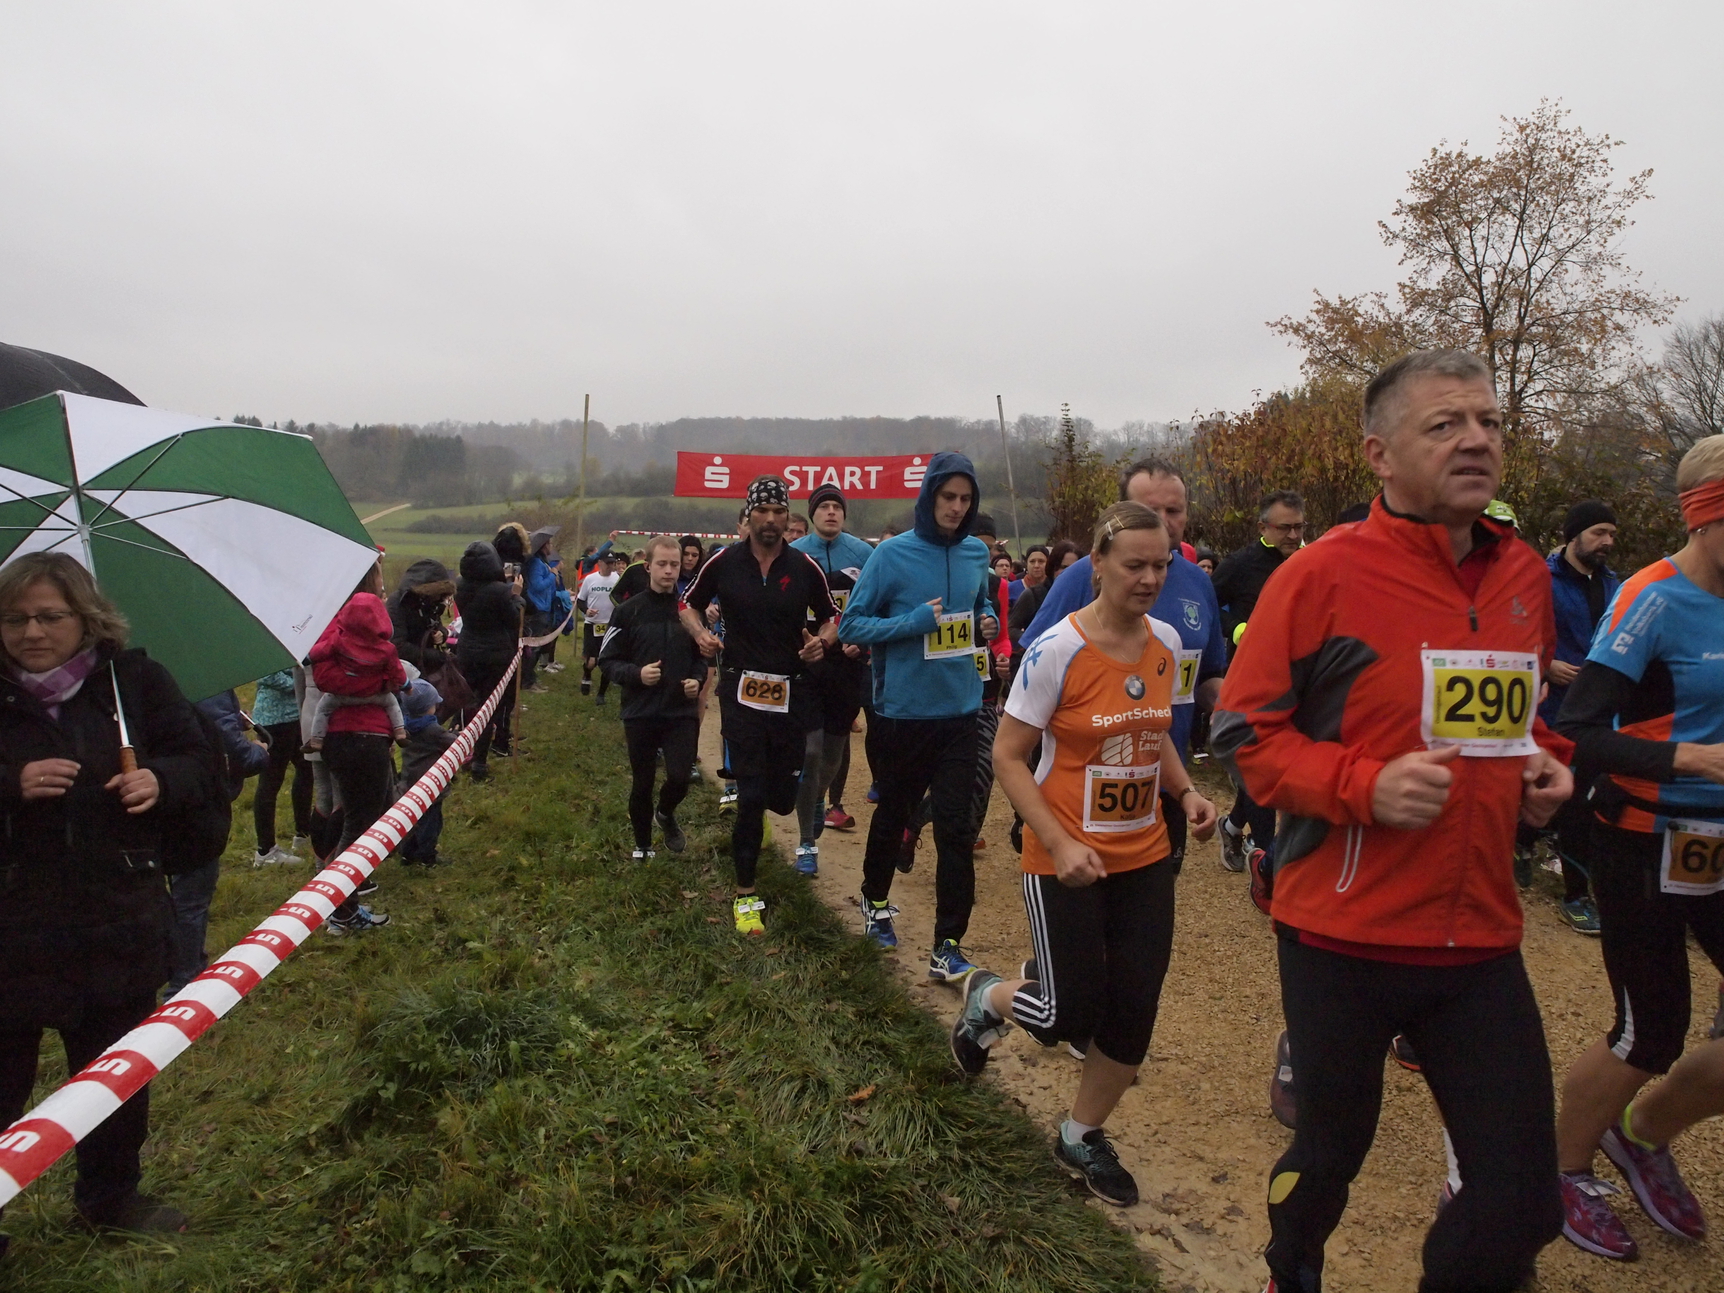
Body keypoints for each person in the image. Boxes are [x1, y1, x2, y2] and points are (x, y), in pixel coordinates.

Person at [1212, 349, 1572, 1293]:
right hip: (1344, 934)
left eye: (1489, 422)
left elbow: (1520, 718)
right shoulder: (1320, 574)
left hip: (1477, 935)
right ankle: (1290, 1268)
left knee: (1525, 1202)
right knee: (1329, 1155)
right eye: (1445, 424)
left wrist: (1544, 764)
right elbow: (1244, 733)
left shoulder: (1523, 573)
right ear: (1379, 454)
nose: (1476, 440)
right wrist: (1363, 785)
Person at [952, 502, 1217, 1209]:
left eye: (1161, 565)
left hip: (1143, 853)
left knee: (1134, 1006)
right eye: (1135, 565)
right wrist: (1061, 840)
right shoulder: (1057, 649)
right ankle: (988, 997)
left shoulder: (1165, 642)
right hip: (1062, 855)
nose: (1150, 578)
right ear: (1098, 563)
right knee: (1064, 1015)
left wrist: (1187, 792)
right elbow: (1009, 756)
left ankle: (1080, 1133)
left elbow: (1154, 733)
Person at [1549, 437, 1724, 1262]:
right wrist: (1690, 759)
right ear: (1706, 516)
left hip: (1720, 838)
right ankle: (1561, 1168)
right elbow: (1580, 731)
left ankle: (1643, 1130)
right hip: (1641, 834)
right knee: (1650, 1028)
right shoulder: (1651, 598)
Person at [0, 552, 208, 1237]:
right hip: (11, 927)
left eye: (49, 616)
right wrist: (11, 784)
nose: (31, 631)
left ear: (86, 618)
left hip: (116, 919)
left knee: (113, 1075)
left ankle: (110, 1200)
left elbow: (201, 761)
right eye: (14, 619)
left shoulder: (136, 683)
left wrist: (159, 781)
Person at [1020, 460, 1229, 871]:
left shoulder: (1198, 583)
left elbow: (1205, 676)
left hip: (1161, 780)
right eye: (1151, 510)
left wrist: (1239, 713)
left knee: (1152, 898)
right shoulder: (1081, 578)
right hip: (1078, 788)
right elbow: (1033, 673)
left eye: (1174, 510)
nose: (1163, 521)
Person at [840, 453, 997, 976]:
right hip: (904, 714)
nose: (957, 507)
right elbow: (852, 626)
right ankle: (875, 900)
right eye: (948, 497)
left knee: (956, 829)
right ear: (929, 497)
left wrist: (989, 621)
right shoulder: (891, 555)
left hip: (962, 712)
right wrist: (911, 623)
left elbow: (980, 605)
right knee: (895, 814)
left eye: (966, 499)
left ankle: (947, 944)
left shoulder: (976, 553)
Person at [682, 477, 838, 934]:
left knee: (783, 801)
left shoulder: (804, 566)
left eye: (778, 512)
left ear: (787, 518)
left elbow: (832, 616)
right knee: (750, 798)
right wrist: (701, 635)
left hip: (790, 690)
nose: (770, 520)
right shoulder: (724, 563)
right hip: (741, 689)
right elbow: (687, 605)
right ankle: (746, 894)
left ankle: (773, 807)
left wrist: (823, 642)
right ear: (748, 516)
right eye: (762, 512)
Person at [1531, 499, 1621, 933]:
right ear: (1574, 535)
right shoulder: (1541, 579)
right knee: (1547, 794)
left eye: (1612, 535)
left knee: (1583, 802)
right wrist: (1546, 665)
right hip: (1549, 707)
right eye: (1599, 532)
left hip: (1596, 711)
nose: (1607, 542)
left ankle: (1578, 893)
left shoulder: (1615, 585)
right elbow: (1518, 630)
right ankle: (1525, 853)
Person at [1212, 490, 1305, 879]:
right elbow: (1207, 605)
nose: (1293, 535)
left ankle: (1233, 826)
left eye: (1299, 527)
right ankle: (1267, 857)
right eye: (1284, 528)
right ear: (1263, 527)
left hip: (1299, 678)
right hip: (1251, 678)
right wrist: (1238, 631)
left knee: (1274, 767)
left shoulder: (1310, 560)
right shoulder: (1240, 564)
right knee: (1259, 762)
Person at [601, 536, 709, 860]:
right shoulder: (628, 611)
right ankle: (643, 846)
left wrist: (696, 680)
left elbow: (701, 657)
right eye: (662, 564)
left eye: (674, 564)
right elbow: (607, 660)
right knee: (643, 782)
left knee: (680, 777)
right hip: (640, 710)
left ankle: (665, 813)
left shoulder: (689, 612)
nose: (669, 571)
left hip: (680, 710)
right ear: (648, 567)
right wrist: (637, 674)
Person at [314, 564, 407, 934]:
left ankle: (343, 900)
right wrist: (371, 685)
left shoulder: (336, 637)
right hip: (361, 741)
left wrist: (352, 686)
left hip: (343, 737)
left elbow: (324, 673)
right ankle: (341, 911)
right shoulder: (362, 642)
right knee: (358, 824)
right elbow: (395, 679)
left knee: (365, 815)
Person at [789, 482, 874, 874]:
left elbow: (877, 603)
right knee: (809, 752)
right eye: (823, 507)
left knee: (832, 755)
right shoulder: (794, 553)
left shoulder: (863, 553)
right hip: (805, 662)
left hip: (846, 664)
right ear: (812, 514)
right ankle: (806, 842)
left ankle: (819, 795)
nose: (831, 513)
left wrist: (863, 641)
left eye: (837, 507)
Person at [172, 688, 267, 992]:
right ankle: (186, 984)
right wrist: (258, 751)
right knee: (190, 898)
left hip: (163, 791)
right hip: (195, 799)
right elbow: (235, 752)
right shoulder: (205, 683)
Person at [455, 540, 524, 782]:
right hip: (494, 655)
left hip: (467, 650)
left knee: (467, 704)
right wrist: (516, 596)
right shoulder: (500, 591)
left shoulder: (460, 586)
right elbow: (514, 620)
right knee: (487, 709)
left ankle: (461, 753)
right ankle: (479, 763)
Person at [251, 666, 311, 865]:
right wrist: (302, 685)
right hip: (274, 720)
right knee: (271, 781)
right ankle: (265, 851)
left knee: (306, 769)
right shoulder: (264, 648)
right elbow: (266, 675)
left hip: (296, 716)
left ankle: (303, 834)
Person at [396, 678, 457, 867]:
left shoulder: (405, 727)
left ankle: (408, 853)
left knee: (413, 820)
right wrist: (458, 735)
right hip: (431, 786)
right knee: (432, 822)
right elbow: (453, 744)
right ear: (428, 707)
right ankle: (427, 855)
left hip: (410, 780)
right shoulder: (432, 729)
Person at [519, 526, 562, 693]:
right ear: (543, 546)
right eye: (549, 543)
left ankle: (531, 678)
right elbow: (537, 585)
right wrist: (553, 575)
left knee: (538, 647)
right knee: (534, 648)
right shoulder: (537, 563)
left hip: (543, 607)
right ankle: (527, 682)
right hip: (537, 608)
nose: (551, 547)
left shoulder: (542, 562)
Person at [578, 553, 621, 703]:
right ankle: (587, 675)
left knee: (607, 660)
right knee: (591, 660)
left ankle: (601, 694)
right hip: (592, 624)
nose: (610, 566)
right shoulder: (590, 579)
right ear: (600, 563)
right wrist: (586, 610)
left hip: (610, 625)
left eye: (612, 563)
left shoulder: (617, 579)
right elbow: (580, 600)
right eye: (607, 563)